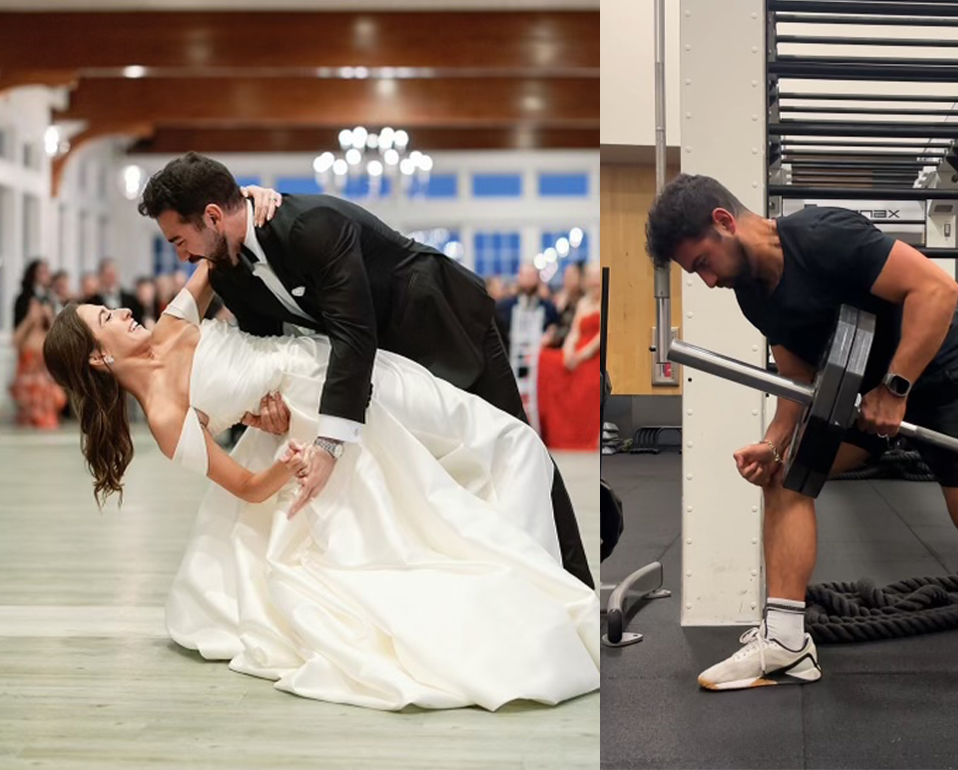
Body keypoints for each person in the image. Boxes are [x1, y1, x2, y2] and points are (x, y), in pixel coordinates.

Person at [644, 174, 958, 714]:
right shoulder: (752, 293)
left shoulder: (823, 235)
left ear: (725, 223)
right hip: (863, 395)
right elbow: (796, 383)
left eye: (702, 262)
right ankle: (786, 644)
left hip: (943, 379)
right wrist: (774, 444)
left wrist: (895, 388)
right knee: (787, 475)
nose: (705, 281)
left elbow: (938, 290)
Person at [41, 259, 599, 712]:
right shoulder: (166, 419)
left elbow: (215, 251)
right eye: (105, 316)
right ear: (99, 355)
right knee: (446, 494)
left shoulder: (172, 324)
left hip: (344, 366)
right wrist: (295, 458)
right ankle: (530, 599)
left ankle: (538, 575)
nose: (120, 311)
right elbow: (250, 486)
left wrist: (254, 201)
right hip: (329, 427)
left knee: (504, 442)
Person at [136, 153, 591, 589]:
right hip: (384, 364)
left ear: (213, 217)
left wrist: (330, 445)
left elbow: (353, 334)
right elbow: (268, 345)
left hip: (440, 326)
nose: (182, 258)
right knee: (443, 475)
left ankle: (576, 583)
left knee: (514, 442)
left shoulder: (311, 225)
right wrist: (269, 408)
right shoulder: (227, 273)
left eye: (180, 241)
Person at [537, 265, 603, 449]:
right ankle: (548, 430)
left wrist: (581, 355)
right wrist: (568, 352)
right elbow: (574, 331)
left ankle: (582, 435)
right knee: (546, 359)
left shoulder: (605, 302)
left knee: (587, 381)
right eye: (591, 277)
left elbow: (602, 335)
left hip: (594, 355)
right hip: (577, 350)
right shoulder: (583, 303)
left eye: (597, 277)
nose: (594, 282)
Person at [10, 297, 66, 428]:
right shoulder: (26, 334)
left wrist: (50, 317)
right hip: (25, 380)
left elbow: (61, 344)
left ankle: (44, 422)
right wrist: (29, 319)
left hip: (46, 381)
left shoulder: (48, 334)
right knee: (39, 386)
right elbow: (14, 342)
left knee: (46, 387)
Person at [87, 258, 144, 325]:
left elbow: (138, 321)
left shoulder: (131, 300)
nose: (111, 278)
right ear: (101, 276)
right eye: (108, 275)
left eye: (114, 274)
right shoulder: (92, 302)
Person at [13, 259, 51, 328]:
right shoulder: (24, 298)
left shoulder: (48, 296)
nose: (48, 275)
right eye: (43, 272)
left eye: (47, 272)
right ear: (33, 274)